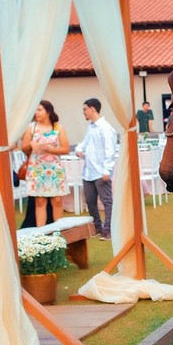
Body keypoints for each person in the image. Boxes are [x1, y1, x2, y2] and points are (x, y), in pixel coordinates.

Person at [21, 100, 70, 227]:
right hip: (37, 168)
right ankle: (40, 232)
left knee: (57, 200)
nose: (36, 113)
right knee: (40, 201)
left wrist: (49, 149)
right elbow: (23, 148)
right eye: (35, 110)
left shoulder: (58, 127)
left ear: (48, 112)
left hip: (54, 169)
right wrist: (31, 144)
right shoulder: (31, 127)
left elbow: (65, 149)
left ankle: (58, 231)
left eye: (39, 110)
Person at [76, 97, 117, 240]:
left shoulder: (106, 128)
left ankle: (109, 230)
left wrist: (107, 170)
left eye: (85, 109)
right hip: (88, 172)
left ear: (92, 109)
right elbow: (85, 143)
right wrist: (79, 149)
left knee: (107, 201)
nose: (84, 113)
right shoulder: (91, 127)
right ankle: (97, 227)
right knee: (90, 201)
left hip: (101, 172)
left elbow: (110, 150)